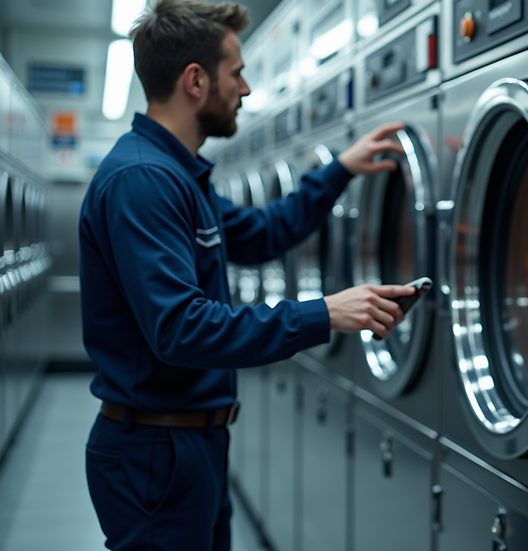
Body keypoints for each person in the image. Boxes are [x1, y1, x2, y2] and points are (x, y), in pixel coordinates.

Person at [78, 1, 415, 549]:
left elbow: (262, 233)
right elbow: (180, 328)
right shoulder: (143, 180)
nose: (247, 89)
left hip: (193, 444)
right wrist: (324, 313)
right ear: (195, 80)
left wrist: (338, 171)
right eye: (236, 73)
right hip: (155, 455)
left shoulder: (181, 177)